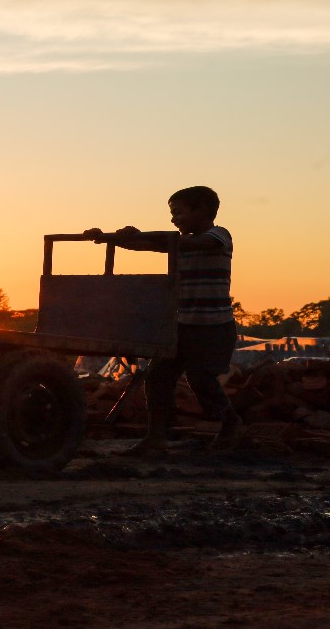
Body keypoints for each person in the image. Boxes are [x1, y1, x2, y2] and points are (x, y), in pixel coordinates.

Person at [84, 185, 245, 455]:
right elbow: (149, 244)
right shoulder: (179, 244)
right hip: (181, 327)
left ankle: (231, 424)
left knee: (201, 378)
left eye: (178, 213)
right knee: (158, 377)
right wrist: (110, 238)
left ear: (202, 210)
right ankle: (155, 437)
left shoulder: (218, 235)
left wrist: (139, 236)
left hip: (213, 328)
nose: (173, 219)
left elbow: (167, 241)